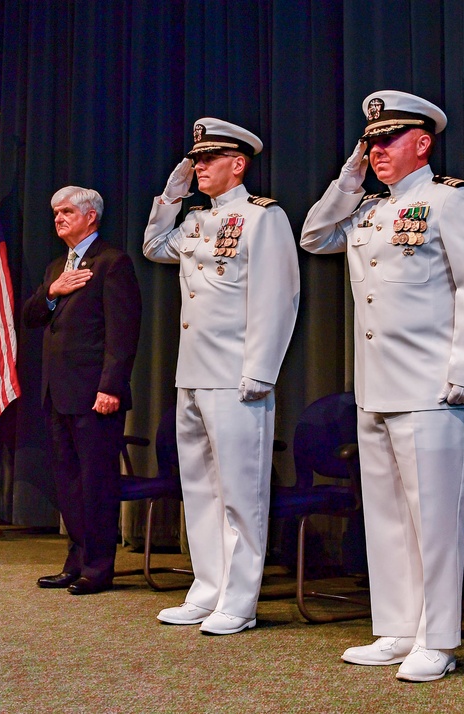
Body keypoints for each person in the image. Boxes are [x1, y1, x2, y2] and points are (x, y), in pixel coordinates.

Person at [301, 90, 464, 681]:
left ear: (423, 142)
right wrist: (348, 178)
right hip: (376, 387)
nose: (376, 149)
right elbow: (315, 236)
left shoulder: (449, 201)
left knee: (434, 521)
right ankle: (396, 628)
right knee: (387, 517)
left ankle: (437, 638)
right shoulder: (368, 210)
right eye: (370, 141)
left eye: (387, 139)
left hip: (431, 388)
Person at [143, 118, 300, 634]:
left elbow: (278, 299)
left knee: (240, 491)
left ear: (239, 164)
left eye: (208, 159)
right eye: (196, 159)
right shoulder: (192, 222)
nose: (198, 166)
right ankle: (206, 587)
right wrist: (170, 195)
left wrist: (261, 369)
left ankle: (239, 600)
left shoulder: (262, 217)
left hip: (237, 376)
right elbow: (153, 246)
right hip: (192, 372)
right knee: (200, 489)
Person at [22, 186, 142, 595]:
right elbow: (30, 316)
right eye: (55, 212)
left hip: (95, 396)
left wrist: (111, 386)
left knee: (96, 482)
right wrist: (52, 292)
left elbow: (122, 333)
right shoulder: (57, 266)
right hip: (58, 392)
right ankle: (75, 561)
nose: (58, 218)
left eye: (67, 211)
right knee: (68, 482)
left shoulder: (113, 262)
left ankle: (99, 567)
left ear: (91, 216)